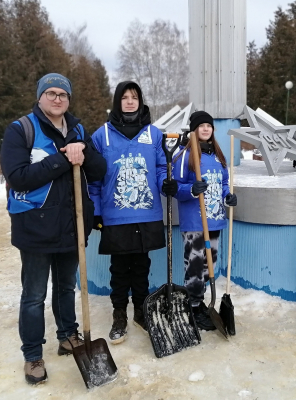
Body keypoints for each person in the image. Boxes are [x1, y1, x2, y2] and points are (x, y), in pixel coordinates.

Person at [0, 73, 107, 385]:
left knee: (65, 288)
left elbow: (99, 170)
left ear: (69, 100)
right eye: (51, 93)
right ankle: (33, 355)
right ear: (40, 97)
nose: (58, 98)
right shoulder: (21, 130)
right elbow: (18, 176)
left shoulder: (76, 130)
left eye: (63, 94)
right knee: (34, 295)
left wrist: (82, 151)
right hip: (35, 227)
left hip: (71, 226)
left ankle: (67, 336)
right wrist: (63, 158)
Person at [88, 81, 178, 344]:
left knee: (141, 266)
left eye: (134, 97)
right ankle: (119, 314)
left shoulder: (154, 134)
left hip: (147, 213)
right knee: (119, 268)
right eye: (124, 97)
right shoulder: (101, 135)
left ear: (140, 101)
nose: (129, 101)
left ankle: (141, 310)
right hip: (115, 214)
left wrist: (166, 183)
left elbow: (161, 167)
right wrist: (95, 208)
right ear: (117, 101)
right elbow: (93, 177)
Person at [172, 111, 237, 330]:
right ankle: (193, 305)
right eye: (201, 126)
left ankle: (201, 303)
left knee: (210, 265)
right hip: (195, 223)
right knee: (195, 264)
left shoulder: (218, 155)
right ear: (194, 130)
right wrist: (190, 189)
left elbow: (224, 181)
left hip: (215, 220)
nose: (206, 129)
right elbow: (175, 187)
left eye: (209, 125)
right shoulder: (184, 155)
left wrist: (228, 196)